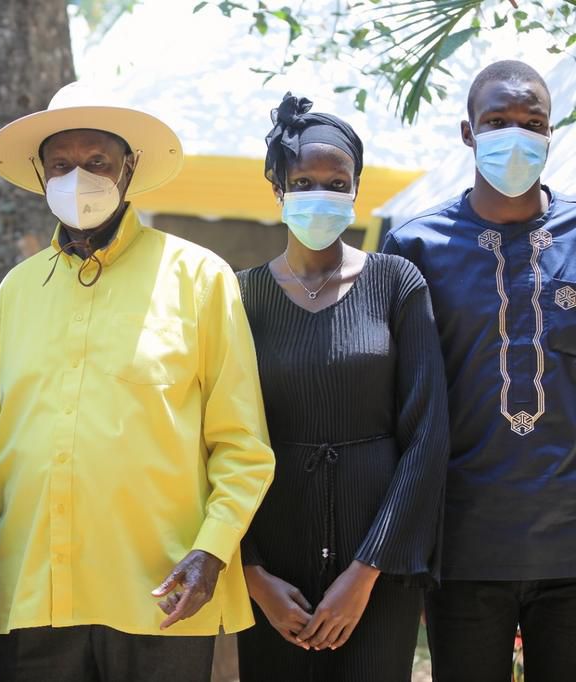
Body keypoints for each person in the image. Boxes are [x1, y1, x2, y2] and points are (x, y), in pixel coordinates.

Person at [0, 82, 274, 682]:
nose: (77, 178)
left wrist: (213, 550)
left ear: (129, 169)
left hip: (162, 590)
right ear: (40, 172)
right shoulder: (16, 290)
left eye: (96, 163)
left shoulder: (199, 279)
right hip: (36, 590)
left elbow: (243, 445)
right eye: (61, 165)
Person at [235, 93, 450, 682]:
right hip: (273, 570)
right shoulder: (238, 296)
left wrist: (366, 572)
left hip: (379, 566)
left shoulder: (396, 281)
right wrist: (253, 575)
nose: (321, 194)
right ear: (277, 186)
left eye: (338, 181)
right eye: (304, 180)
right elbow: (215, 438)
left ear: (357, 188)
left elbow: (427, 435)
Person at [384, 60, 576, 681]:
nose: (515, 134)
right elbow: (391, 403)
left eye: (532, 122)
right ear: (468, 133)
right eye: (497, 121)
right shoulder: (415, 247)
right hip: (464, 551)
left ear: (552, 132)